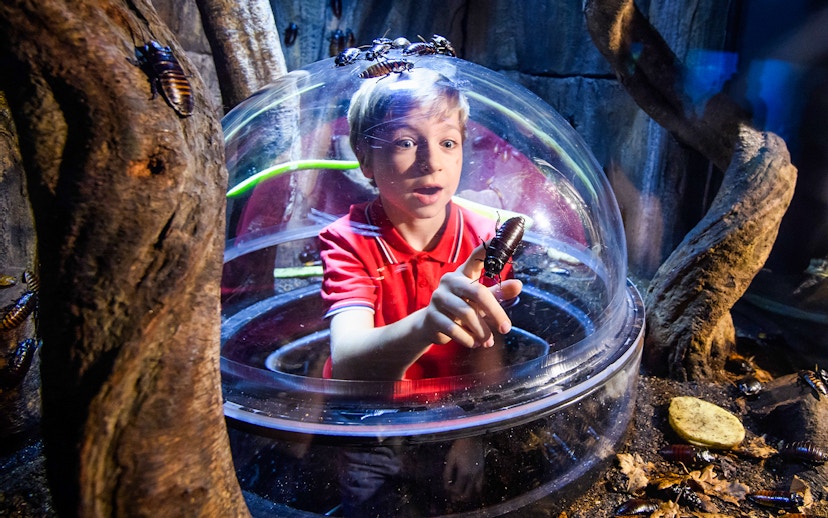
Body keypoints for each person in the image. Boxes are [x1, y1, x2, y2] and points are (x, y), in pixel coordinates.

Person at [318, 67, 523, 514]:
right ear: (365, 159)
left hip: (451, 412)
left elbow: (486, 348)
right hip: (369, 420)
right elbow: (349, 360)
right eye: (406, 142)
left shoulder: (484, 237)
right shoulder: (348, 239)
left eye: (448, 142)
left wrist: (472, 433)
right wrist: (429, 323)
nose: (432, 161)